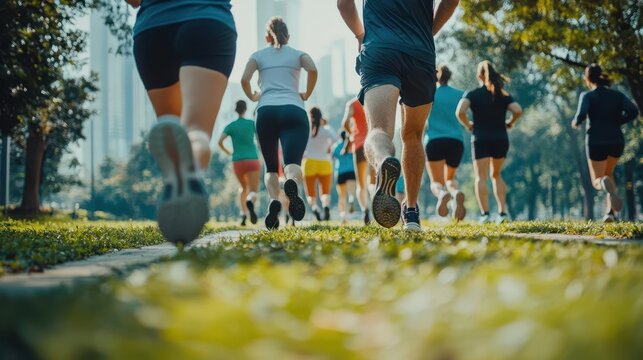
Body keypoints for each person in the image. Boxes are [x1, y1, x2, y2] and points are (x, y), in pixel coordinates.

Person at [338, 0, 459, 230]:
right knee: (413, 134)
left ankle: (384, 161)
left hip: (379, 49)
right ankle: (411, 211)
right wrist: (426, 32)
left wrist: (360, 35)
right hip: (420, 52)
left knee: (378, 130)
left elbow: (343, 4)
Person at [126, 0, 236, 245]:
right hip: (206, 20)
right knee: (195, 130)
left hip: (152, 29)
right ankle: (192, 170)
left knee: (173, 127)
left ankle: (178, 174)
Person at [241, 17, 318, 229]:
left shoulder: (258, 56)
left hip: (266, 112)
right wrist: (306, 94)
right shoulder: (298, 54)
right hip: (294, 110)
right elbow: (312, 69)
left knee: (271, 168)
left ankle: (275, 201)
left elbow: (244, 79)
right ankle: (291, 182)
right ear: (288, 35)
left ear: (267, 36)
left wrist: (253, 97)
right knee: (292, 164)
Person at [456, 60, 523, 224]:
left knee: (481, 177)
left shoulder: (473, 94)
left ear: (479, 75)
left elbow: (460, 112)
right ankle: (502, 214)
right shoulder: (502, 95)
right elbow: (518, 110)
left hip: (481, 138)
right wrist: (510, 122)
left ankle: (485, 215)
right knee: (496, 175)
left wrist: (468, 125)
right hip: (500, 139)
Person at [572, 64, 639, 222]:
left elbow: (581, 115)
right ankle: (610, 213)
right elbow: (634, 111)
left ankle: (604, 185)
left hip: (596, 141)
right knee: (609, 174)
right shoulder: (617, 95)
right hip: (616, 140)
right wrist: (618, 121)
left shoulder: (587, 96)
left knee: (598, 180)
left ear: (588, 78)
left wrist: (575, 122)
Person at [425, 65, 466, 221]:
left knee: (436, 181)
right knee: (450, 178)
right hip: (456, 141)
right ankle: (456, 193)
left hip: (434, 140)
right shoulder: (460, 94)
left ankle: (442, 194)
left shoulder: (429, 94)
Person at [218, 100, 260, 226]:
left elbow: (219, 142)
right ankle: (250, 201)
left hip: (237, 161)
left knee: (243, 188)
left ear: (235, 110)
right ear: (245, 109)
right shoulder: (252, 124)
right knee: (253, 191)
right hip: (252, 159)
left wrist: (229, 152)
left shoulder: (231, 126)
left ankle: (243, 214)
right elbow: (260, 139)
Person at [341, 98, 373, 224]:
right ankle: (376, 206)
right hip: (373, 143)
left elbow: (345, 123)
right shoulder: (372, 99)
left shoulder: (352, 104)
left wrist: (351, 134)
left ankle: (365, 210)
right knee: (373, 180)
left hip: (359, 145)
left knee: (361, 183)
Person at [303, 107, 336, 221]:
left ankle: (316, 208)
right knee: (325, 191)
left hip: (309, 163)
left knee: (311, 194)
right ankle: (326, 206)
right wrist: (328, 149)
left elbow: (302, 147)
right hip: (325, 162)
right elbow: (335, 140)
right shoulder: (326, 129)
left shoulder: (306, 130)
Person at [333, 131, 357, 224]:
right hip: (351, 171)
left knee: (342, 196)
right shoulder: (352, 145)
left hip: (340, 172)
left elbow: (333, 156)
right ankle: (351, 200)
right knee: (351, 192)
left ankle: (344, 217)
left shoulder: (336, 146)